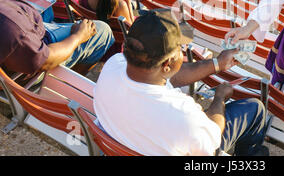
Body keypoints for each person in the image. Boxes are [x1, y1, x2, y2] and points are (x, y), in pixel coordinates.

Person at [93, 9, 267, 156]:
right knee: (255, 108)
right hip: (191, 141)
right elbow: (213, 137)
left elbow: (172, 76)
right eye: (180, 49)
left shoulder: (113, 65)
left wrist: (217, 63)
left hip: (122, 143)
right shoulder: (183, 114)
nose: (182, 52)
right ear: (167, 64)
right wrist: (219, 99)